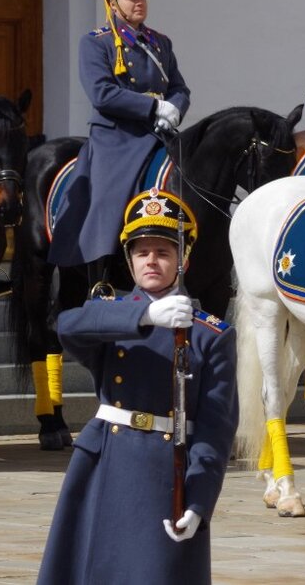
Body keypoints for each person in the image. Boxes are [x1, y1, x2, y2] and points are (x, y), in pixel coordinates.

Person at [38, 190, 238, 585]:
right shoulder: (112, 316)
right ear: (128, 261)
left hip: (165, 469)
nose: (151, 260)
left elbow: (216, 429)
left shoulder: (211, 334)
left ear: (184, 259)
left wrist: (199, 500)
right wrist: (144, 315)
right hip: (106, 462)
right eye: (141, 251)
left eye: (163, 251)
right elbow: (68, 328)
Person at [48, 0, 191, 287]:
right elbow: (101, 93)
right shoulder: (95, 43)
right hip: (117, 137)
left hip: (159, 134)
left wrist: (174, 106)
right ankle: (100, 270)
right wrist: (152, 108)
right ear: (112, 0)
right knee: (108, 200)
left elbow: (179, 87)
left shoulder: (161, 42)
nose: (138, 0)